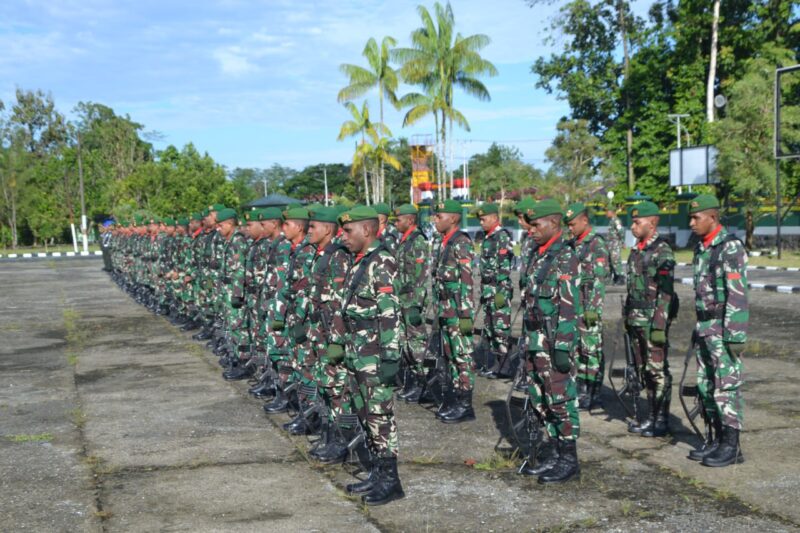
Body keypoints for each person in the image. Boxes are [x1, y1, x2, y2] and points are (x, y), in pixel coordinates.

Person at [331, 206, 404, 505]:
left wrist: (390, 357)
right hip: (357, 352)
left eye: (348, 231)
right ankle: (377, 471)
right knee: (365, 414)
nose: (343, 236)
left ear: (367, 230)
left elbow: (390, 313)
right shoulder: (360, 260)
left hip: (374, 355)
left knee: (380, 417)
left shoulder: (382, 261)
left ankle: (391, 481)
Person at [519, 199, 582, 483]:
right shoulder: (537, 254)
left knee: (560, 399)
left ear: (554, 224)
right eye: (530, 225)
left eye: (536, 225)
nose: (531, 230)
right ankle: (555, 453)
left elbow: (569, 307)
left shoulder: (565, 256)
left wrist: (563, 347)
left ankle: (569, 458)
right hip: (535, 337)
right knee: (539, 397)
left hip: (554, 340)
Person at [687, 194, 748, 467]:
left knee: (726, 386)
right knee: (706, 384)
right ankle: (716, 439)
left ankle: (732, 446)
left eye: (696, 217)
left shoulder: (730, 248)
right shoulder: (703, 248)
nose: (691, 223)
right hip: (705, 327)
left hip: (723, 330)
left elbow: (737, 295)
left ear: (712, 217)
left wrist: (735, 335)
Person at [625, 201, 676, 438]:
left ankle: (662, 419)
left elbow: (666, 293)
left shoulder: (662, 251)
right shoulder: (637, 250)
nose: (633, 227)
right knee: (644, 370)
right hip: (636, 320)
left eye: (637, 222)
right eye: (633, 222)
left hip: (652, 322)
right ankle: (651, 416)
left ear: (652, 222)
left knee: (657, 371)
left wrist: (659, 325)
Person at [430, 199, 476, 423]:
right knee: (450, 357)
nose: (435, 220)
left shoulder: (461, 242)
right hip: (446, 311)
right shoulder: (443, 242)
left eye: (439, 216)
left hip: (458, 313)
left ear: (454, 218)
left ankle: (466, 405)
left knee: (462, 358)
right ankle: (456, 399)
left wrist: (466, 315)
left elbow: (467, 282)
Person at [564, 203, 610, 410]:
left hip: (589, 308)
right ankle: (582, 389)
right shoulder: (573, 244)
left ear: (584, 221)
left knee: (591, 350)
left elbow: (598, 281)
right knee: (578, 351)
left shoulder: (596, 244)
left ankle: (594, 393)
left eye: (573, 224)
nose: (570, 229)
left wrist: (593, 309)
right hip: (574, 306)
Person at [392, 204, 430, 403]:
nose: (396, 223)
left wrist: (416, 304)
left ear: (409, 220)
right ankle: (412, 381)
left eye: (398, 220)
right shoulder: (404, 240)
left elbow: (422, 276)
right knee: (405, 342)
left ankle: (423, 382)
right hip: (403, 300)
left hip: (412, 301)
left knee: (416, 343)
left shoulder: (418, 241)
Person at [475, 203, 514, 378]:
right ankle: (494, 364)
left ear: (494, 218)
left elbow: (504, 267)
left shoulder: (501, 237)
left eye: (484, 219)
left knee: (500, 328)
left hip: (499, 290)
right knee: (490, 328)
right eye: (480, 220)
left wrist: (499, 292)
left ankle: (504, 366)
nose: (481, 223)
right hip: (488, 290)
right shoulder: (487, 237)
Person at [606, 208, 625, 285]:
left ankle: (621, 278)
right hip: (611, 243)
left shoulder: (616, 221)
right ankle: (614, 278)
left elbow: (621, 231)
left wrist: (622, 242)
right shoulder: (612, 220)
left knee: (616, 260)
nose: (606, 214)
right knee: (611, 261)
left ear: (611, 212)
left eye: (607, 212)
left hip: (615, 243)